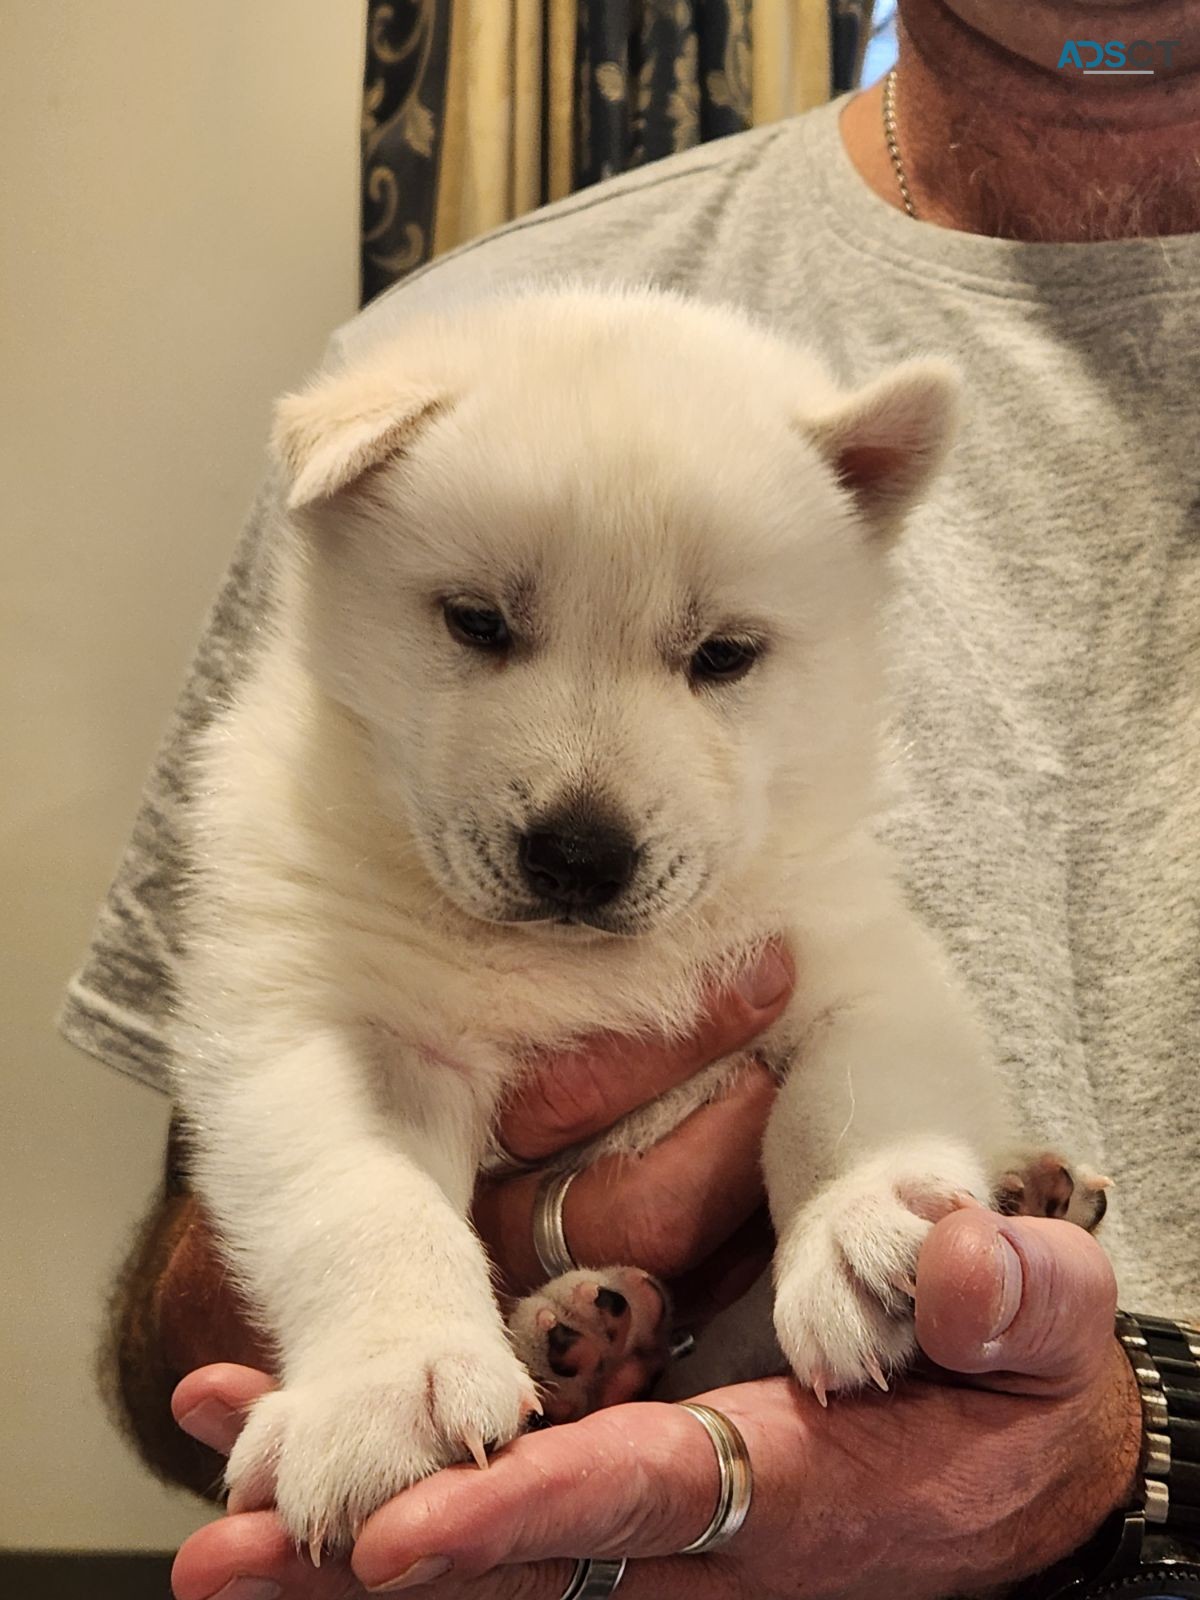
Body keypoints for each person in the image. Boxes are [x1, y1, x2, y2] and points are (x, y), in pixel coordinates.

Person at [63, 2, 1200, 1596]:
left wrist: (880, 1207)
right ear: (347, 509)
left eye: (718, 657)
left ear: (862, 504)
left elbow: (867, 1017)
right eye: (481, 628)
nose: (579, 801)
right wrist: (384, 1312)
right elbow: (273, 1115)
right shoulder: (427, 376)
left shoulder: (807, 657)